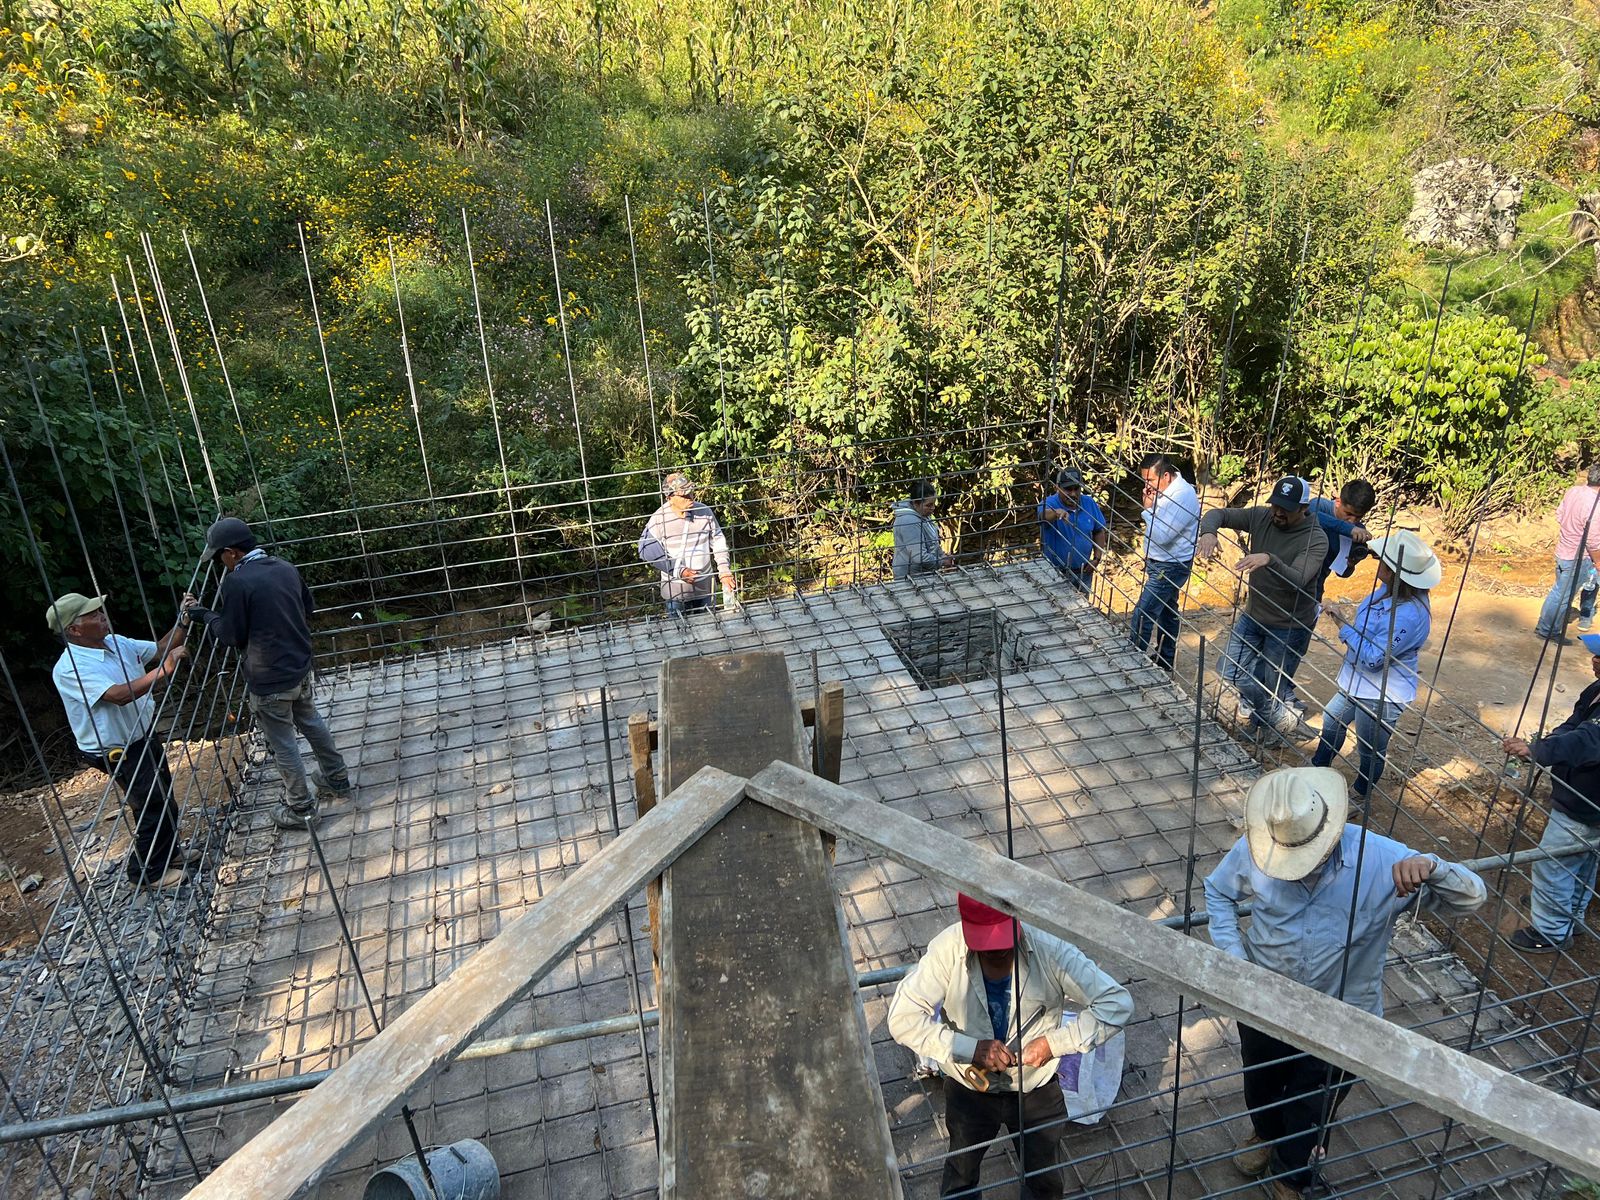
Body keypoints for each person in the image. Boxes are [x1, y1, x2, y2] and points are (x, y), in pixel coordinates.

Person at [1204, 767, 1487, 1200]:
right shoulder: (1259, 847)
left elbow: (1471, 898)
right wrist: (1235, 961)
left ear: (1330, 835)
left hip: (1344, 1011)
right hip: (1264, 998)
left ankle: (1291, 1176)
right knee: (1261, 1083)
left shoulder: (1382, 860)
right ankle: (1265, 1135)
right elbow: (1218, 892)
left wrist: (1433, 867)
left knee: (1313, 1102)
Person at [888, 894, 1132, 1199]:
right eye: (987, 949)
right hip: (970, 1088)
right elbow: (901, 1018)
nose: (998, 953)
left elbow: (1117, 1003)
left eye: (1004, 943)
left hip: (1035, 1090)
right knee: (961, 1176)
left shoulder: (1050, 949)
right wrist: (969, 1048)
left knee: (1044, 1180)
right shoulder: (948, 950)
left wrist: (1054, 1044)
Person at [185, 517, 351, 831]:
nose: (221, 563)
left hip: (269, 679)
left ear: (232, 553)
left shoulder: (237, 581)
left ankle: (301, 808)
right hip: (299, 666)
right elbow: (307, 609)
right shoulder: (284, 567)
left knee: (284, 743)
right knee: (311, 720)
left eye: (220, 556)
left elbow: (232, 635)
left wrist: (204, 615)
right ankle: (336, 778)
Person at [49, 591, 199, 890]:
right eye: (92, 615)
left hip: (141, 734)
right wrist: (164, 671)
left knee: (163, 795)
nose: (102, 616)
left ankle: (168, 853)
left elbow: (160, 648)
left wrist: (183, 621)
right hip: (116, 749)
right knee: (151, 804)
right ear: (74, 630)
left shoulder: (116, 642)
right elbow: (117, 695)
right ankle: (147, 873)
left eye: (99, 611)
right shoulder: (70, 669)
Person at [1309, 530, 1438, 809]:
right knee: (1332, 721)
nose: (1375, 560)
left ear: (1394, 572)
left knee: (1370, 747)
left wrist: (1342, 626)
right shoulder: (1386, 593)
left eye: (1382, 560)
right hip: (1356, 681)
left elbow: (1373, 658)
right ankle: (1317, 769)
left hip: (1382, 692)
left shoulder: (1409, 615)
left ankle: (1360, 793)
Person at [1197, 477, 1327, 737]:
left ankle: (1268, 732)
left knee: (1273, 684)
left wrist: (1269, 559)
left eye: (1286, 509)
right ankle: (1280, 720)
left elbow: (1300, 580)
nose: (1278, 512)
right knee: (1229, 670)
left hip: (1288, 625)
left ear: (1303, 509)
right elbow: (1217, 513)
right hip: (1254, 615)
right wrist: (1209, 532)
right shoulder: (1261, 516)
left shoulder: (1316, 539)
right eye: (1275, 505)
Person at [1502, 631, 1600, 952]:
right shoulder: (1597, 689)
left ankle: (1551, 932)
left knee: (1553, 864)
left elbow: (1585, 740)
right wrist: (1545, 742)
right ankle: (1569, 914)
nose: (1594, 659)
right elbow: (1574, 723)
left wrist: (1538, 751)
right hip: (1585, 799)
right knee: (1583, 861)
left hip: (1585, 804)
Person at [1278, 480, 1376, 717]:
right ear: (1338, 501)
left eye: (1358, 517)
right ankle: (1260, 692)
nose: (1352, 520)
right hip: (1288, 582)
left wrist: (1353, 561)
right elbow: (1312, 517)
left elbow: (1342, 571)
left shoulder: (1354, 528)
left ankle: (1283, 691)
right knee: (1276, 640)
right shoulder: (1319, 506)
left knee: (1298, 644)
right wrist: (1348, 529)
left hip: (1314, 590)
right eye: (1348, 513)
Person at [1128, 454, 1200, 672]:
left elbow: (1163, 536)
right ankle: (1166, 659)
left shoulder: (1182, 496)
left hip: (1171, 566)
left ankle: (1134, 664)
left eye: (1150, 480)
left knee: (1144, 612)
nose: (1146, 485)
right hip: (1161, 562)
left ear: (1166, 476)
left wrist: (1148, 509)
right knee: (1168, 610)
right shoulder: (1165, 490)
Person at [638, 473, 737, 616]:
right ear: (670, 498)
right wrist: (679, 570)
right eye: (684, 495)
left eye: (691, 493)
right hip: (676, 594)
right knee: (680, 634)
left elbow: (718, 541)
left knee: (709, 630)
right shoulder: (659, 518)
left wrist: (724, 572)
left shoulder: (704, 511)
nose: (690, 498)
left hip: (705, 590)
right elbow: (645, 549)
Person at [1534, 465, 1600, 644]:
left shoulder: (1574, 491)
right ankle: (1549, 631)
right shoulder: (1596, 506)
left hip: (1563, 550)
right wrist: (1598, 561)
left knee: (1558, 591)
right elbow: (1593, 541)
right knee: (1564, 595)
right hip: (1579, 557)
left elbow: (1559, 514)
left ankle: (1543, 625)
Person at [1038, 468, 1108, 592]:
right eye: (1068, 489)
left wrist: (1097, 558)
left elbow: (1098, 530)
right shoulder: (1049, 503)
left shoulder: (1089, 503)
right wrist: (1056, 513)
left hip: (1083, 572)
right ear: (1057, 488)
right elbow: (1042, 515)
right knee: (1057, 607)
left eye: (1076, 489)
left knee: (1082, 608)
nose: (1073, 494)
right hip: (1055, 573)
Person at [891, 479, 953, 580]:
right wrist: (942, 561)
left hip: (922, 574)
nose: (933, 508)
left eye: (933, 504)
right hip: (910, 578)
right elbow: (919, 557)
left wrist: (942, 555)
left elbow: (932, 543)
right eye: (929, 505)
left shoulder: (922, 514)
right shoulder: (909, 521)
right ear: (916, 503)